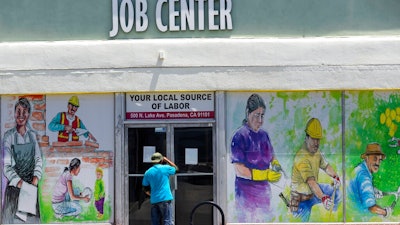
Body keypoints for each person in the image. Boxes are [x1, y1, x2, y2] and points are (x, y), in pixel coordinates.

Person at [230, 93, 282, 222]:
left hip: (264, 194)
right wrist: (264, 175)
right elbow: (239, 170)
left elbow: (272, 155)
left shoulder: (264, 135)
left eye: (262, 115)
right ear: (248, 113)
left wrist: (275, 164)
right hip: (246, 196)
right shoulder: (239, 136)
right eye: (256, 115)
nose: (260, 120)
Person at [290, 118, 341, 222]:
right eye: (314, 139)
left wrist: (336, 177)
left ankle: (336, 219)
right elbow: (312, 183)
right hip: (301, 200)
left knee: (337, 193)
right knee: (301, 222)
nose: (317, 143)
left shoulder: (316, 152)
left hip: (313, 194)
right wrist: (323, 198)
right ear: (307, 138)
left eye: (318, 139)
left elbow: (326, 166)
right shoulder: (301, 157)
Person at [2, 97, 43, 223]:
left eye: (24, 111)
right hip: (14, 189)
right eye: (18, 111)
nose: (21, 115)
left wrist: (36, 177)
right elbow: (6, 166)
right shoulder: (9, 136)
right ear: (14, 113)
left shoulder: (32, 135)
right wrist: (19, 183)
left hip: (30, 188)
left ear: (28, 114)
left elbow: (38, 159)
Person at [347, 142, 392, 220]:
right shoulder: (364, 176)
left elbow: (361, 189)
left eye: (379, 160)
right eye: (375, 158)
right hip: (357, 217)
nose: (377, 163)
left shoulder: (360, 169)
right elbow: (371, 207)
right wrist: (386, 212)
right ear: (366, 158)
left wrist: (374, 191)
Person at [142, 152, 178, 225]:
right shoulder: (165, 168)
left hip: (154, 199)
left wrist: (151, 194)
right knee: (167, 221)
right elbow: (176, 169)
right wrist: (167, 160)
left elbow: (145, 187)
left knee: (155, 222)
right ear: (161, 160)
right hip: (165, 198)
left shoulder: (148, 172)